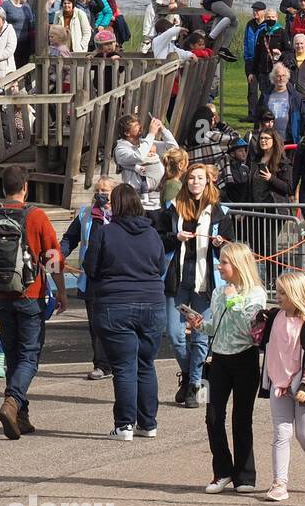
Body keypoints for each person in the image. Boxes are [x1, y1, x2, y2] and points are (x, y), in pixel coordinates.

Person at [0, 165, 68, 440]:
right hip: (30, 296)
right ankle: (12, 402)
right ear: (25, 187)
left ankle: (21, 416)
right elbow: (53, 258)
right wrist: (61, 292)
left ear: (3, 189)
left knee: (12, 355)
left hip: (1, 297)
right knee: (29, 356)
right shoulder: (36, 217)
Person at [82, 182, 166, 439]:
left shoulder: (106, 233)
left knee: (124, 366)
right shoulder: (152, 234)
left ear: (116, 205)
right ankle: (148, 423)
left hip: (115, 303)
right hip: (152, 302)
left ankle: (124, 424)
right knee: (145, 364)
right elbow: (161, 265)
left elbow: (90, 266)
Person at [186, 240, 267, 493]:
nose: (219, 267)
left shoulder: (256, 294)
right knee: (212, 417)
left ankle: (245, 475)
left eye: (224, 262)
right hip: (218, 360)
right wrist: (200, 323)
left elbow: (250, 331)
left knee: (241, 418)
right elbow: (216, 327)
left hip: (245, 359)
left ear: (238, 265)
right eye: (219, 261)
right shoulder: (218, 292)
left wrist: (235, 302)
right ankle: (222, 471)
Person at [159, 162, 229, 406]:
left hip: (205, 284)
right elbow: (160, 239)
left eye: (200, 178)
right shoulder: (173, 208)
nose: (195, 182)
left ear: (208, 182)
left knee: (200, 337)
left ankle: (195, 385)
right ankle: (190, 374)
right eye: (191, 178)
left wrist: (221, 244)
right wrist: (174, 237)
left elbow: (229, 251)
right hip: (178, 281)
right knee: (175, 335)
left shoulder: (220, 212)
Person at [260, 269, 305, 501]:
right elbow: (259, 341)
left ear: (296, 294)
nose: (278, 296)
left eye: (283, 293)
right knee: (281, 433)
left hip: (304, 385)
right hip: (278, 382)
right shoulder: (273, 317)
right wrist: (255, 320)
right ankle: (279, 483)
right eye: (277, 291)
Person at [59, 175, 115, 381]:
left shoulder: (122, 215)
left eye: (106, 191)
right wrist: (60, 253)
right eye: (99, 191)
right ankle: (102, 365)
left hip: (115, 277)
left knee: (115, 322)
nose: (101, 194)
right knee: (96, 322)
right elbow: (70, 238)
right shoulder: (85, 214)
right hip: (91, 276)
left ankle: (118, 361)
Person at [114, 112, 174, 212]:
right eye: (136, 125)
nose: (140, 127)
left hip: (158, 201)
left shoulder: (145, 143)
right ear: (127, 133)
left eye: (139, 123)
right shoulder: (121, 150)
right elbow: (140, 156)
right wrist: (151, 134)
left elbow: (173, 149)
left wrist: (163, 130)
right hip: (137, 203)